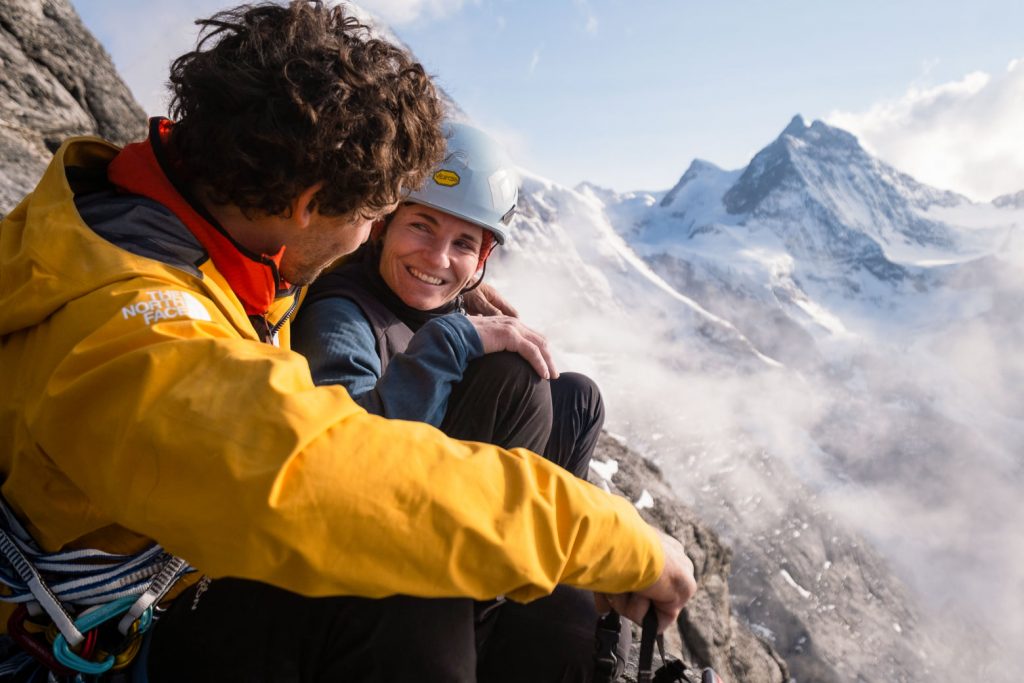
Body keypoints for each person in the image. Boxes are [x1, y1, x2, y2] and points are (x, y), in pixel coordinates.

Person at [0, 2, 697, 681]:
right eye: (373, 216)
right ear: (306, 204)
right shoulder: (133, 338)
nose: (367, 237)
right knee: (402, 589)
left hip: (165, 586)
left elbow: (307, 259)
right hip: (103, 645)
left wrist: (451, 287)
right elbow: (343, 481)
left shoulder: (184, 217)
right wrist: (617, 541)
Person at [291, 122, 609, 677]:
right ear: (384, 225)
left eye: (464, 243)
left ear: (483, 258)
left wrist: (460, 308)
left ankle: (536, 567)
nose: (437, 257)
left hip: (443, 500)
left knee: (578, 397)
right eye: (422, 226)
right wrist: (457, 334)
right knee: (514, 377)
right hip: (382, 545)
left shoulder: (441, 302)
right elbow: (349, 458)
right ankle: (487, 599)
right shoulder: (341, 314)